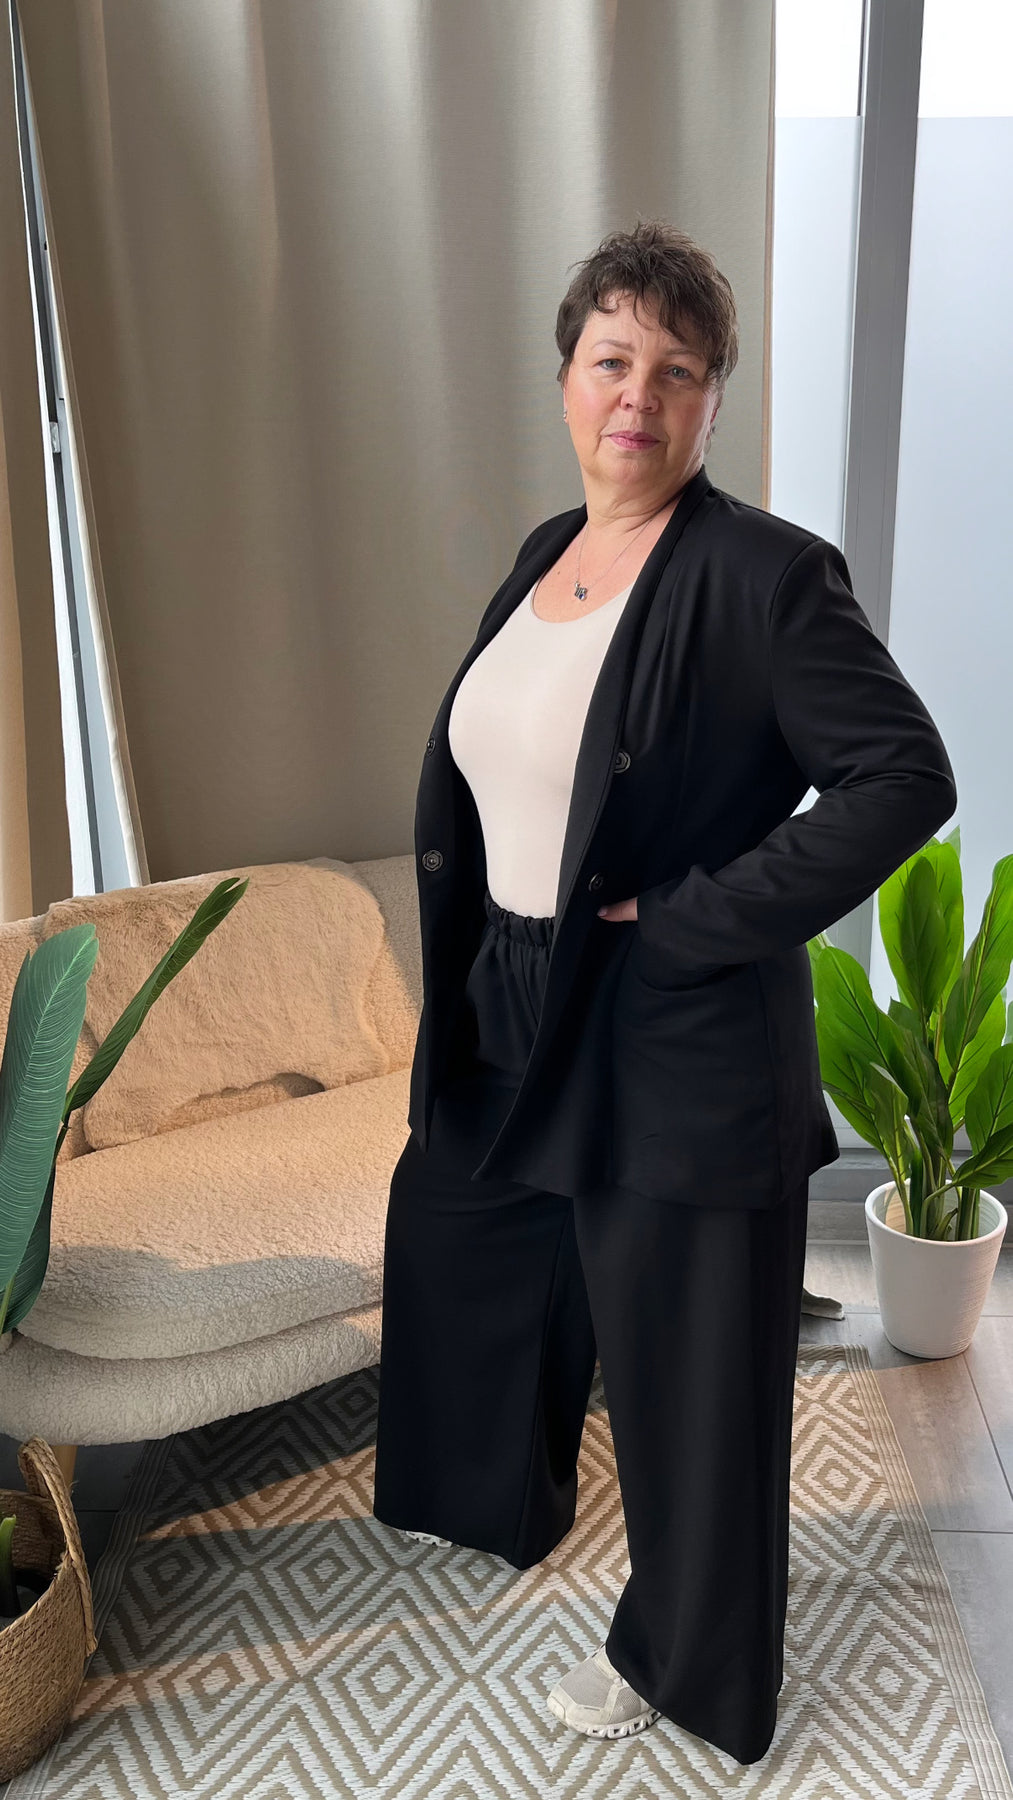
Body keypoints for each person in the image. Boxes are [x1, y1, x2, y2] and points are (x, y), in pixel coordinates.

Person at [371, 220, 957, 1764]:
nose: (638, 393)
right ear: (566, 379)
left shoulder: (764, 577)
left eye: (677, 370)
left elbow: (903, 777)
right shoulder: (541, 558)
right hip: (512, 993)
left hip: (671, 1021)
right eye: (612, 359)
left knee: (691, 1375)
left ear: (711, 401)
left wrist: (697, 920)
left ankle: (686, 1663)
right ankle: (504, 1503)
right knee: (460, 1239)